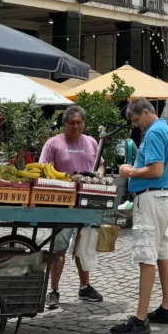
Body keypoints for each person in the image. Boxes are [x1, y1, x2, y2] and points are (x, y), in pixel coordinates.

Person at [112, 98, 168, 334]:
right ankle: (167, 307)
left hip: (150, 198)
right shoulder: (163, 129)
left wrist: (130, 171)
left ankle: (140, 319)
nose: (136, 125)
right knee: (161, 252)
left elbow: (156, 169)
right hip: (160, 197)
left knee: (146, 255)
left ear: (147, 113)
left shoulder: (154, 132)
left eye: (136, 120)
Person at [40, 105, 104, 307]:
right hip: (62, 203)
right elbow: (43, 169)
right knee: (58, 248)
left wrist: (100, 173)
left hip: (87, 201)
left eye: (79, 122)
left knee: (83, 247)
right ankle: (54, 290)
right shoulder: (53, 144)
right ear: (64, 124)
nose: (76, 126)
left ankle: (85, 287)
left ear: (84, 123)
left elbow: (100, 163)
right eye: (71, 123)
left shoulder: (91, 142)